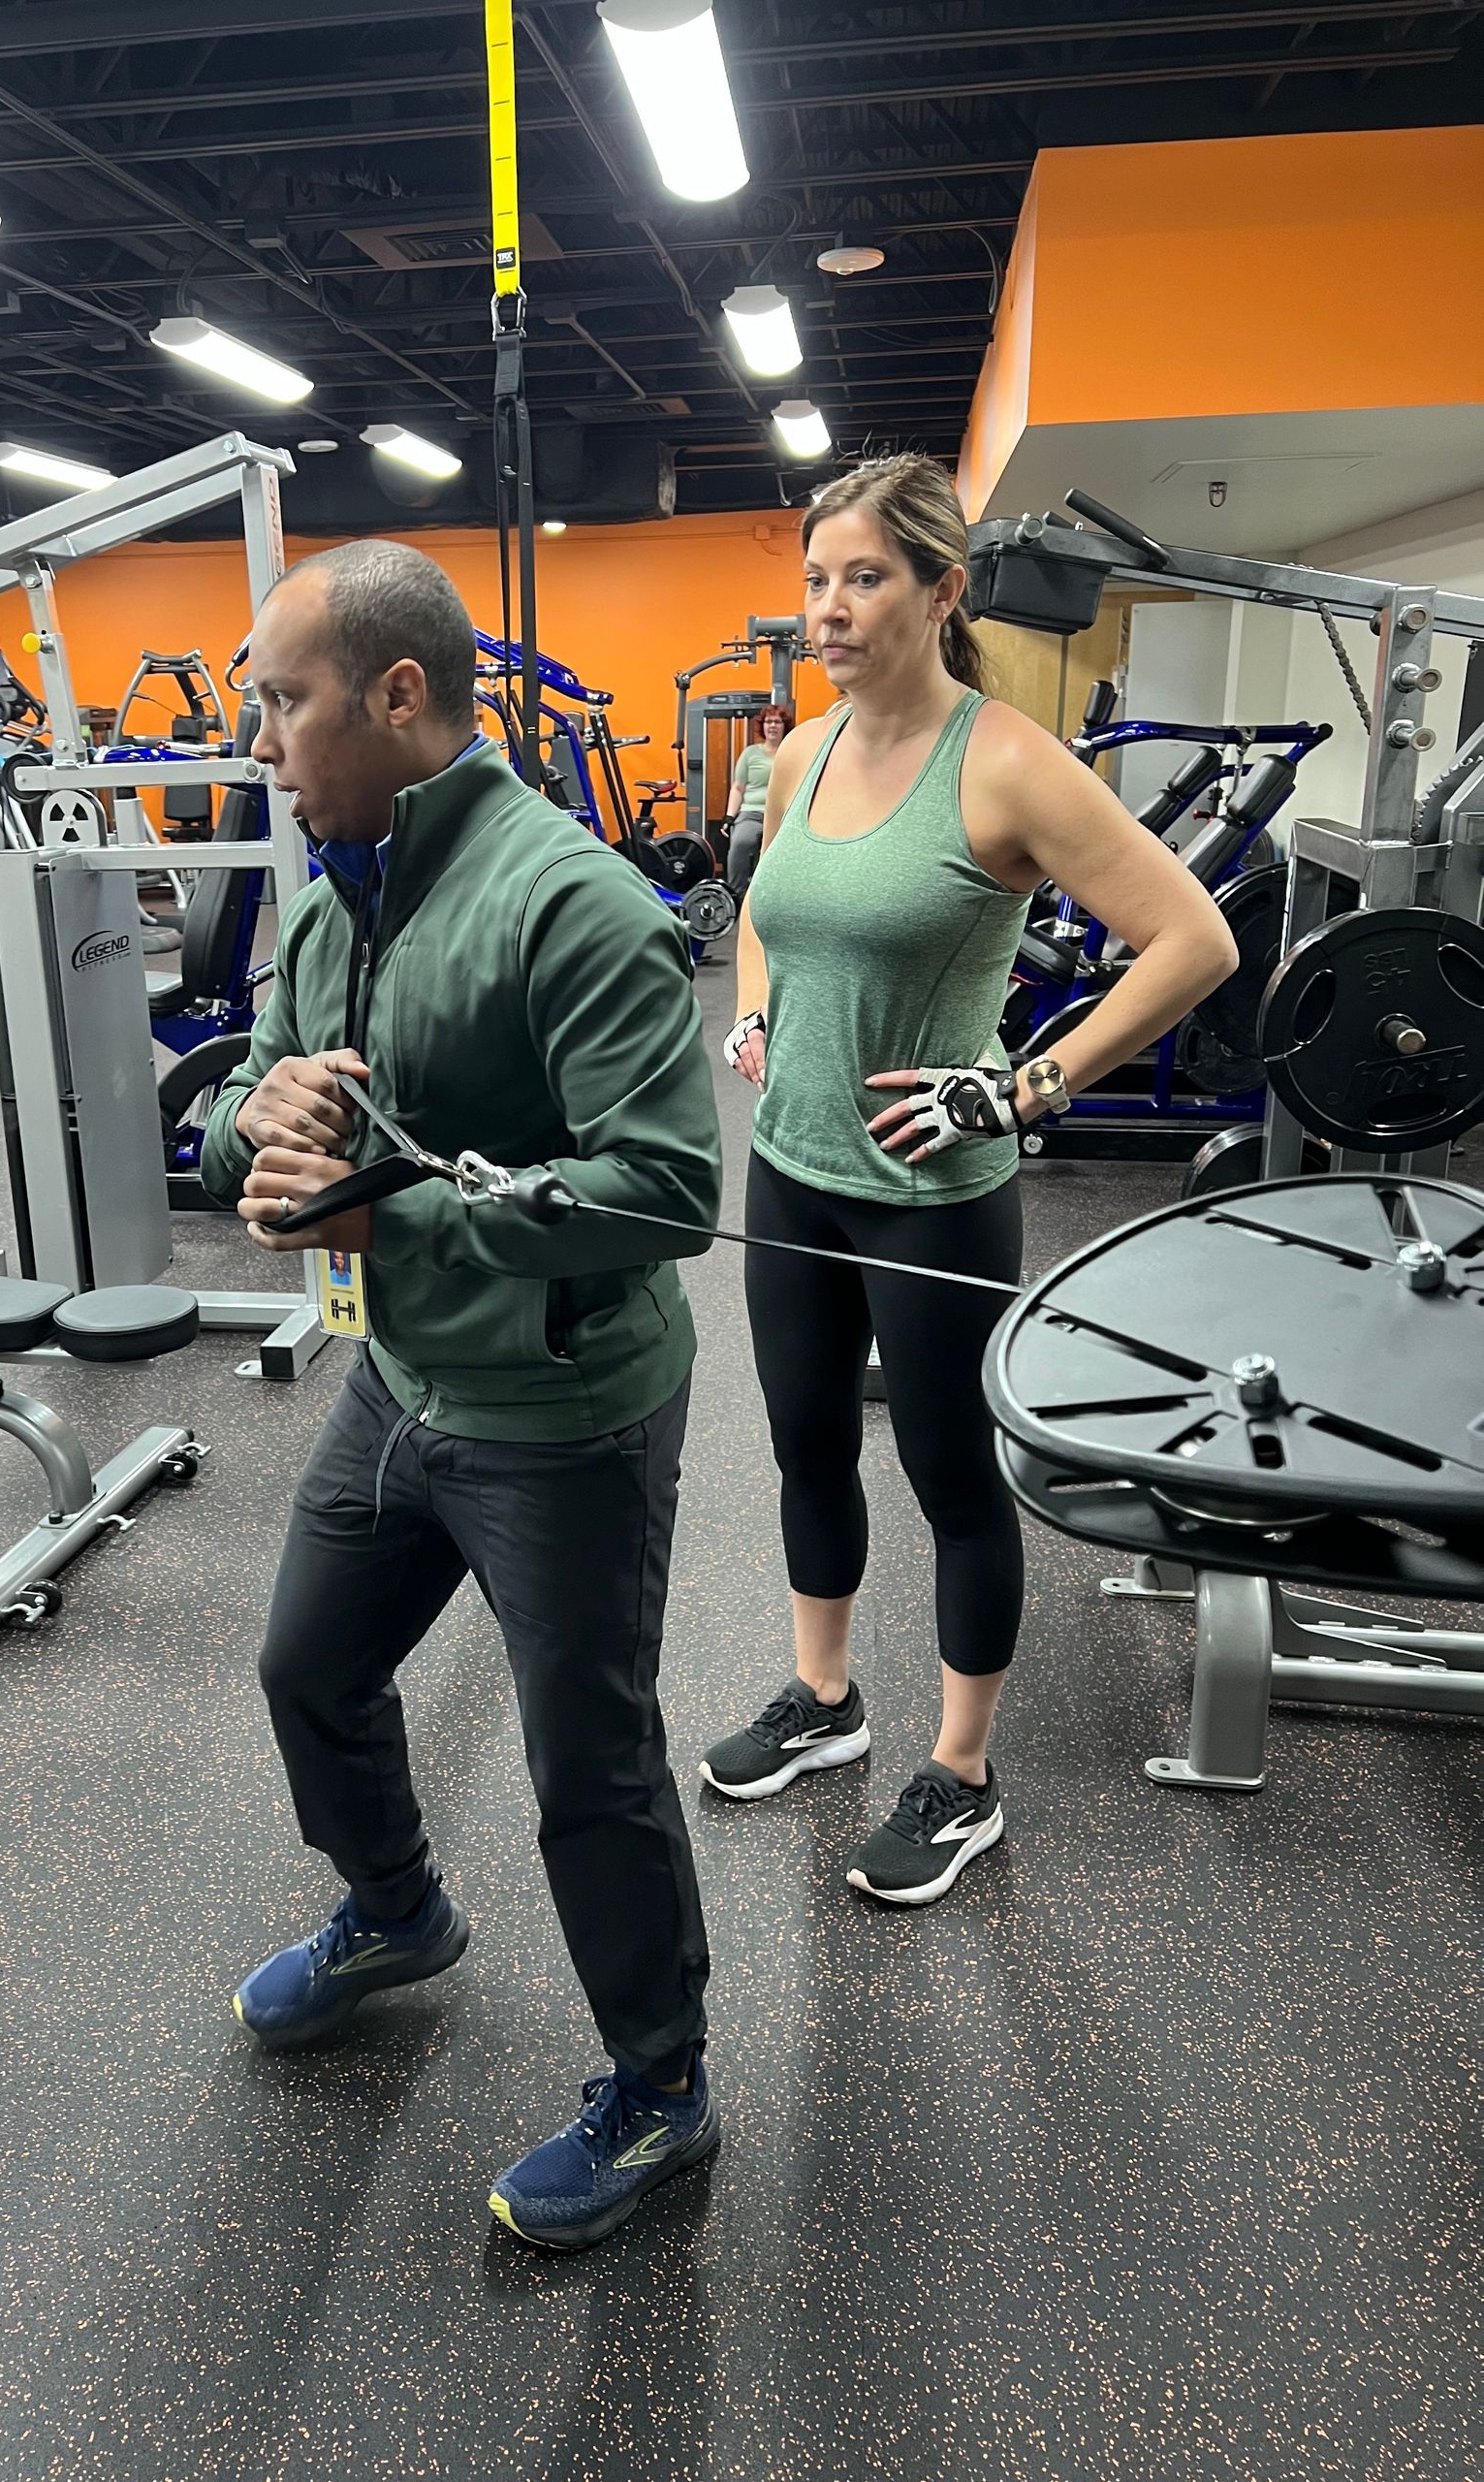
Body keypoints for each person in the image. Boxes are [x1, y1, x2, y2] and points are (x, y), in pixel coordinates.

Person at [201, 538, 724, 2253]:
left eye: (283, 702)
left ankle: (662, 2095)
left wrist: (387, 1205)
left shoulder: (567, 901)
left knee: (592, 1767)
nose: (262, 743)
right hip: (402, 1378)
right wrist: (253, 1141)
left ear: (398, 694)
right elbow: (264, 1106)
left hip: (562, 1416)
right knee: (310, 1667)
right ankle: (395, 1908)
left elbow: (663, 1194)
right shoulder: (329, 878)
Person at [700, 454, 1237, 1903]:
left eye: (864, 577)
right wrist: (756, 1007)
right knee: (808, 1442)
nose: (829, 606)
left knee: (949, 1480)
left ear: (942, 593)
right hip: (795, 1172)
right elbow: (762, 910)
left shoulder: (1004, 762)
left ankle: (963, 1773)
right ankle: (827, 1700)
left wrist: (1027, 1085)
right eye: (815, 578)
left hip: (934, 1191)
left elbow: (1194, 942)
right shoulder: (803, 752)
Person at [725, 704, 790, 900]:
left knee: (781, 851)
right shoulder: (750, 754)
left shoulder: (792, 751)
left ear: (784, 726)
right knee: (740, 843)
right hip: (752, 812)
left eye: (777, 722)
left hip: (783, 814)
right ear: (762, 726)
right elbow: (738, 787)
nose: (772, 726)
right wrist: (729, 816)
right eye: (769, 721)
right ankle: (734, 896)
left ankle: (776, 898)